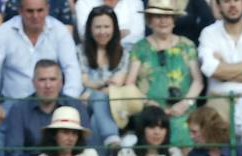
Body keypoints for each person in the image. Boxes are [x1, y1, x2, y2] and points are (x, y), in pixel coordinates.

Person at [124, 0, 203, 144]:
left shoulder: (187, 45)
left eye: (167, 16)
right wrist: (149, 103)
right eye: (157, 16)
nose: (163, 21)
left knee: (186, 131)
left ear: (174, 20)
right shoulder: (139, 48)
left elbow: (198, 81)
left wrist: (186, 103)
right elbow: (130, 84)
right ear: (149, 20)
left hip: (183, 112)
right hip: (150, 115)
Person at [0, 0, 83, 105]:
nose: (35, 16)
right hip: (12, 105)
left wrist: (69, 102)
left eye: (40, 10)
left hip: (52, 104)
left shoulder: (60, 31)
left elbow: (72, 68)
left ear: (47, 9)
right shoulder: (4, 31)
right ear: (20, 10)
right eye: (30, 11)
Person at [79, 6, 130, 148]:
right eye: (98, 27)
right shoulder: (80, 51)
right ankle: (113, 140)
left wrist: (92, 90)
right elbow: (83, 80)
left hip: (114, 106)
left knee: (96, 119)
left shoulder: (123, 54)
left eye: (107, 27)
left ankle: (106, 152)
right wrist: (103, 85)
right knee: (99, 99)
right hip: (83, 106)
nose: (102, 32)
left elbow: (116, 85)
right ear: (90, 29)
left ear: (114, 29)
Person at [75, 0, 145, 48]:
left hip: (129, 54)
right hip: (94, 55)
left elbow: (137, 38)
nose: (103, 31)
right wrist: (122, 33)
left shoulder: (135, 2)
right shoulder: (83, 2)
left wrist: (103, 36)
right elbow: (85, 35)